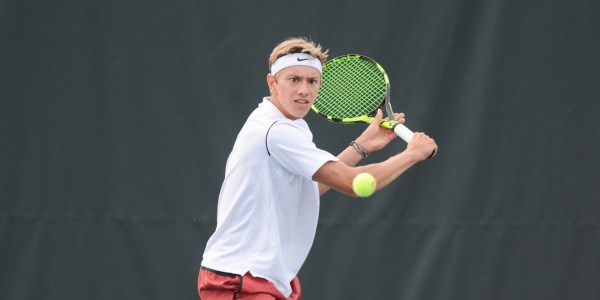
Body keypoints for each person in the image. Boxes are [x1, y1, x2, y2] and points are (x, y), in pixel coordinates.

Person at [198, 37, 437, 300]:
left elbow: (309, 189)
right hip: (239, 279)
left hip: (266, 277)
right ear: (272, 82)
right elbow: (353, 184)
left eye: (312, 81)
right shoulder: (275, 131)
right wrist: (412, 154)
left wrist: (361, 146)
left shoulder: (287, 124)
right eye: (294, 79)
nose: (304, 90)